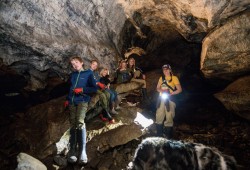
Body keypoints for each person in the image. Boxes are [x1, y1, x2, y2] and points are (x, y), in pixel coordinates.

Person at [64, 56, 97, 164]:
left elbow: (94, 88)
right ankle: (73, 149)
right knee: (73, 124)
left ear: (82, 63)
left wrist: (82, 89)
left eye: (76, 63)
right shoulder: (73, 75)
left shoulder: (88, 73)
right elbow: (70, 88)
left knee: (79, 121)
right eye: (73, 64)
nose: (75, 65)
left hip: (83, 100)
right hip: (72, 101)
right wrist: (68, 99)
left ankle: (83, 151)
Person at [155, 64, 182, 139]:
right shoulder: (161, 78)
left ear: (170, 70)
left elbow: (179, 89)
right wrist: (161, 91)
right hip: (161, 98)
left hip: (170, 99)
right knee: (159, 116)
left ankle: (168, 137)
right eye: (164, 70)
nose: (165, 71)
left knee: (169, 116)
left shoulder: (174, 78)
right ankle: (159, 136)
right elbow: (157, 88)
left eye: (167, 69)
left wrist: (171, 93)